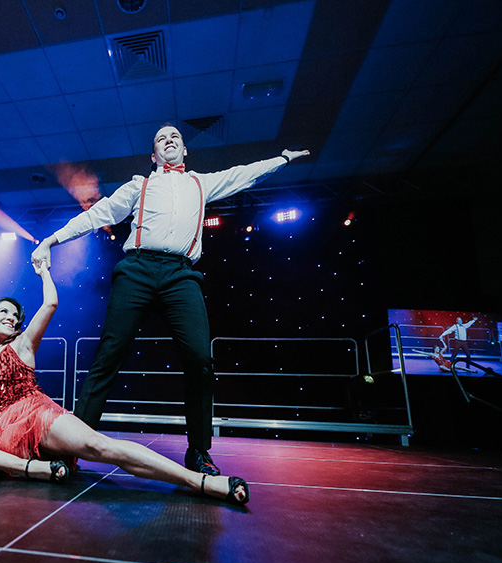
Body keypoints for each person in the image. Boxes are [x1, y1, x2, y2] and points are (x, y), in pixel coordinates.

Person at [31, 123, 309, 476]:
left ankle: (198, 451)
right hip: (137, 270)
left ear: (184, 149)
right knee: (108, 355)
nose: (169, 141)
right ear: (154, 154)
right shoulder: (140, 185)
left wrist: (282, 159)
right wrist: (50, 240)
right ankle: (72, 447)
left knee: (199, 359)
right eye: (161, 139)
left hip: (181, 275)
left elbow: (244, 175)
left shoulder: (201, 183)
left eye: (175, 137)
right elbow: (97, 215)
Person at [0, 260, 249, 505]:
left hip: (35, 417)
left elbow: (49, 304)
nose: (12, 318)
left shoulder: (23, 345)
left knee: (100, 446)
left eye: (15, 315)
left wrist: (44, 271)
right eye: (4, 312)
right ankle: (29, 469)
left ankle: (199, 482)